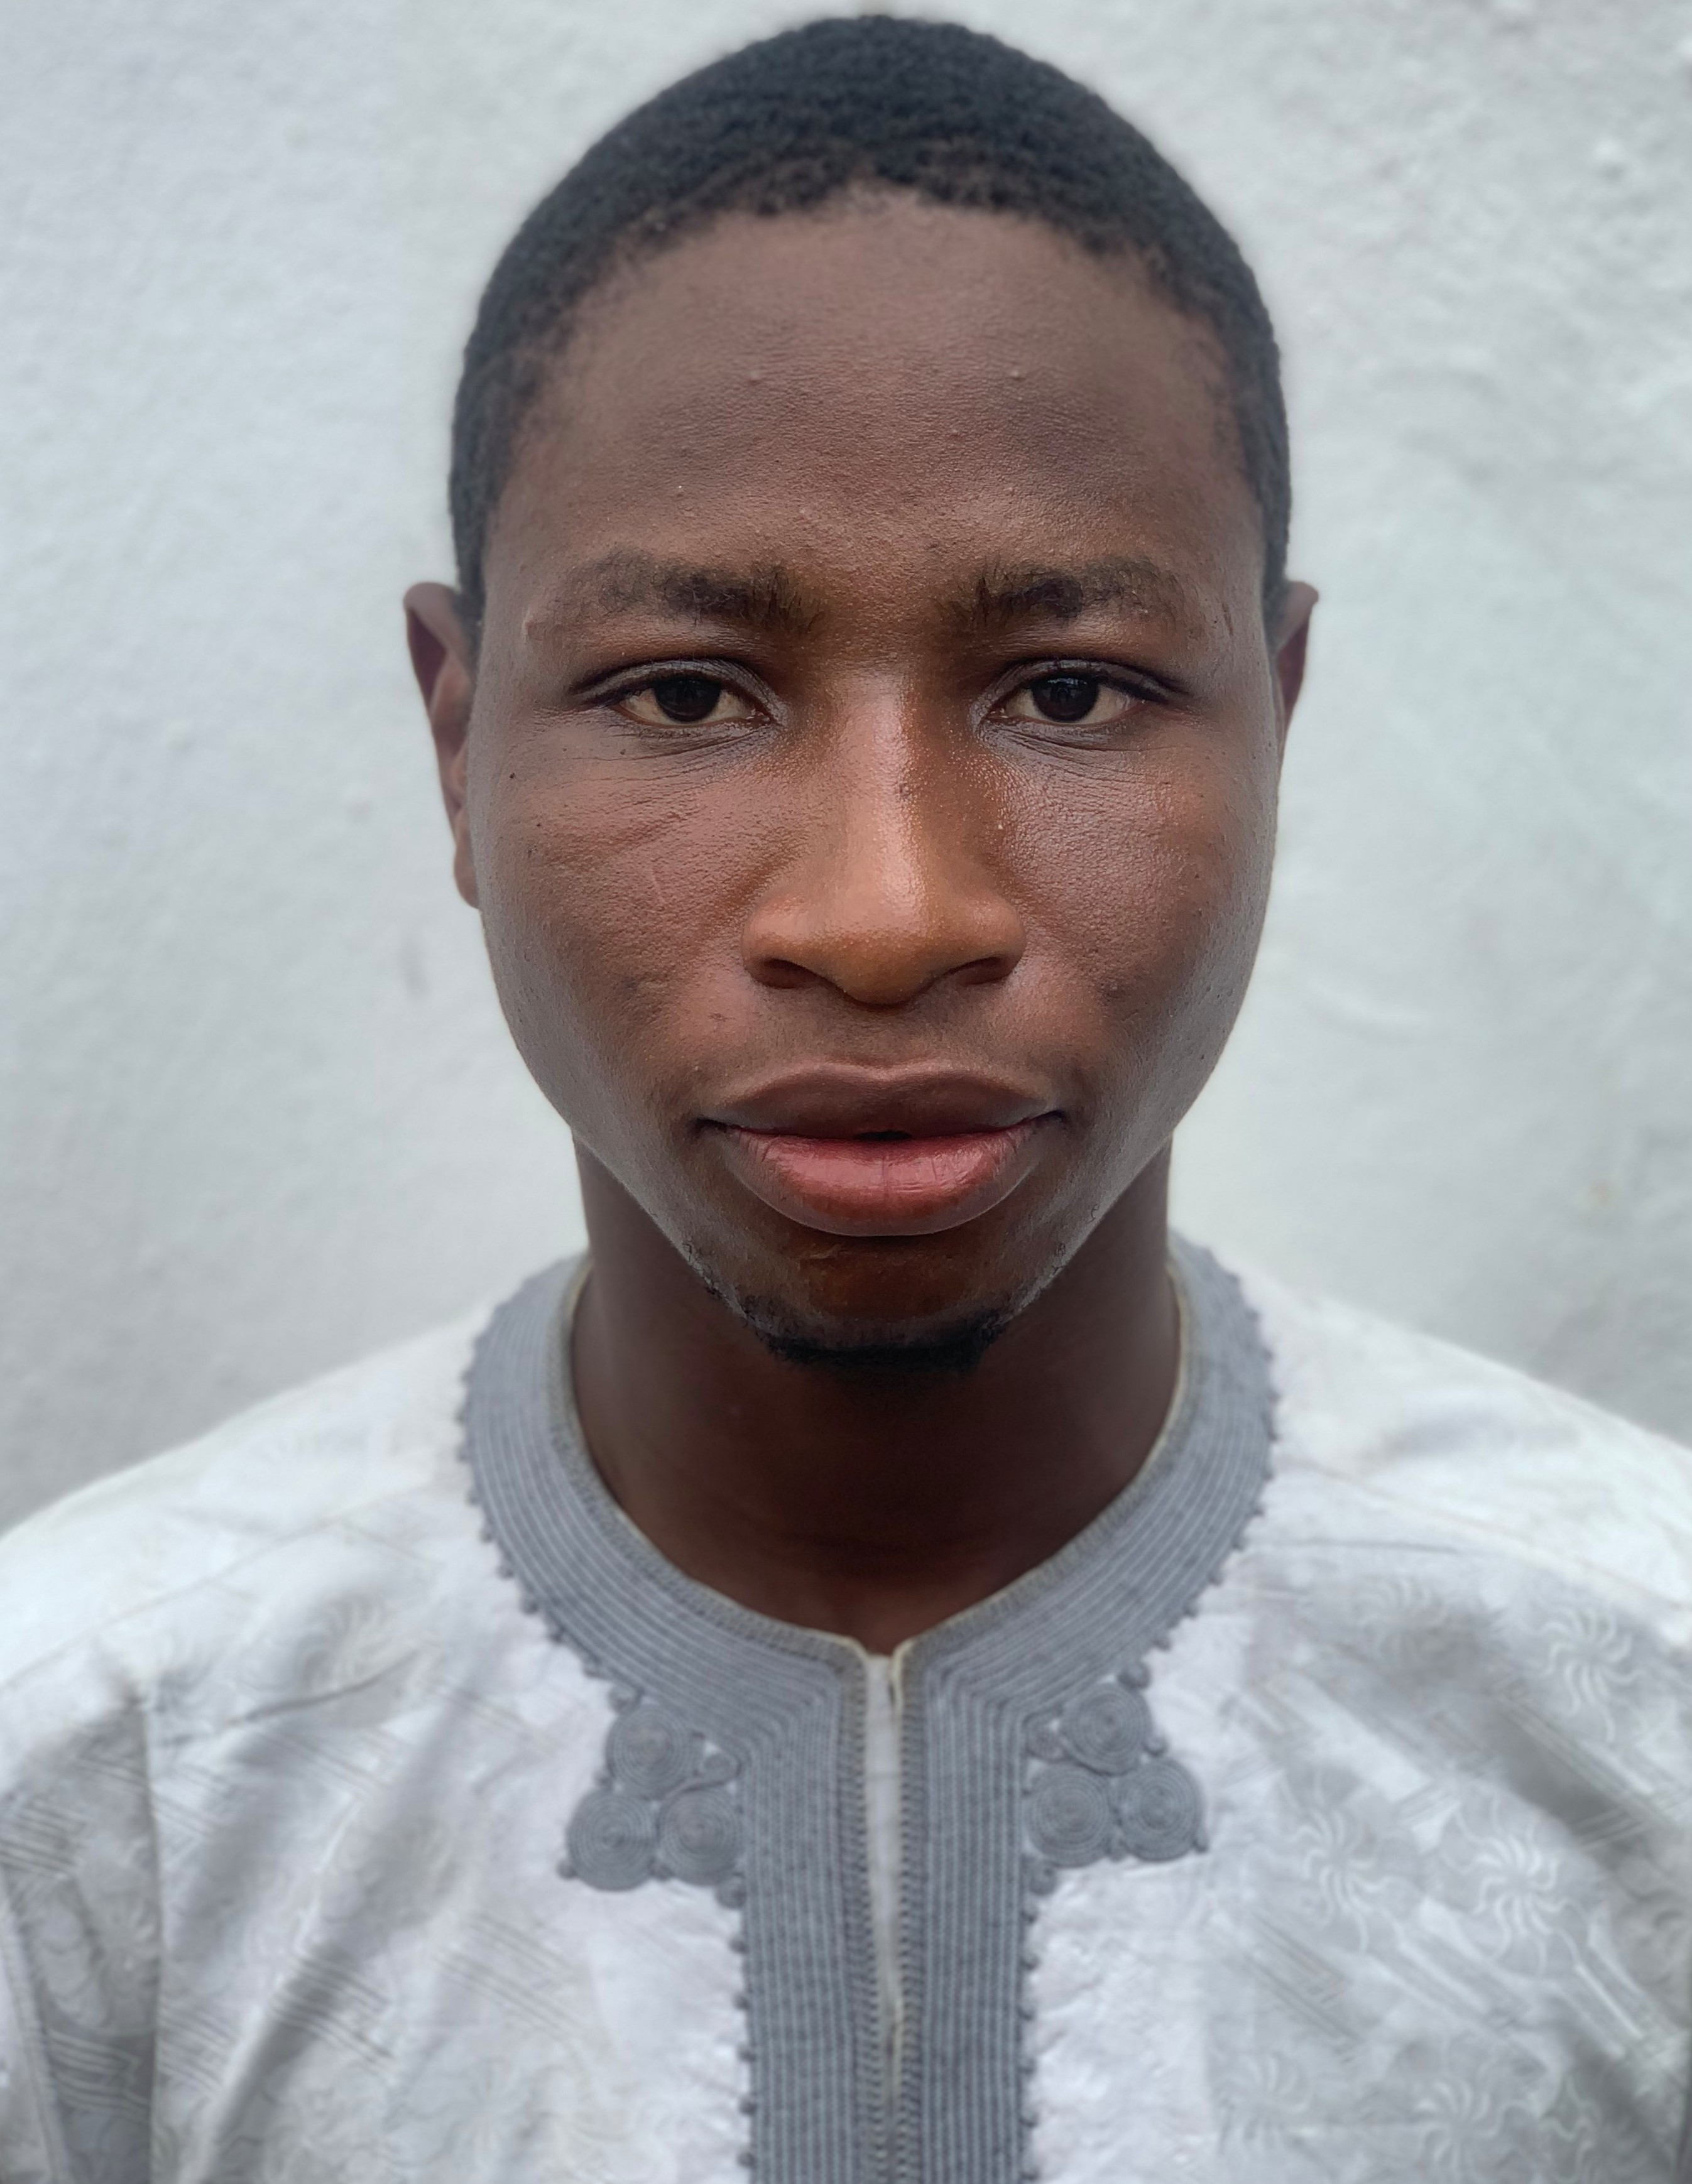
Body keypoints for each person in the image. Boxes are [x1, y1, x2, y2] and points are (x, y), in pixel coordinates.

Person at [1, 16, 1688, 2180]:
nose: (887, 916)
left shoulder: (1641, 1705)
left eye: (1068, 689)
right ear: (457, 741)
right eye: (684, 693)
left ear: (1275, 717)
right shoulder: (104, 1769)